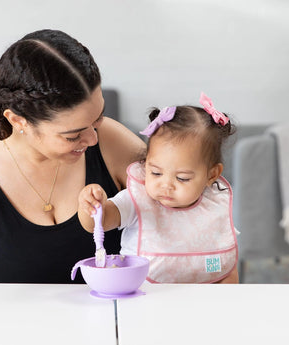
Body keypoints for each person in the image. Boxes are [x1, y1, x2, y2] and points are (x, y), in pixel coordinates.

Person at [0, 29, 145, 283]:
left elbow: (186, 214)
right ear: (19, 120)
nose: (93, 139)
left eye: (98, 118)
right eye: (72, 135)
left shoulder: (111, 142)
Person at [78, 92, 239, 284]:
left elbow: (226, 262)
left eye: (182, 178)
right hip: (147, 298)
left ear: (211, 175)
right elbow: (99, 224)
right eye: (155, 173)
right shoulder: (137, 198)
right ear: (146, 165)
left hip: (203, 300)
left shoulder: (215, 201)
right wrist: (92, 206)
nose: (166, 185)